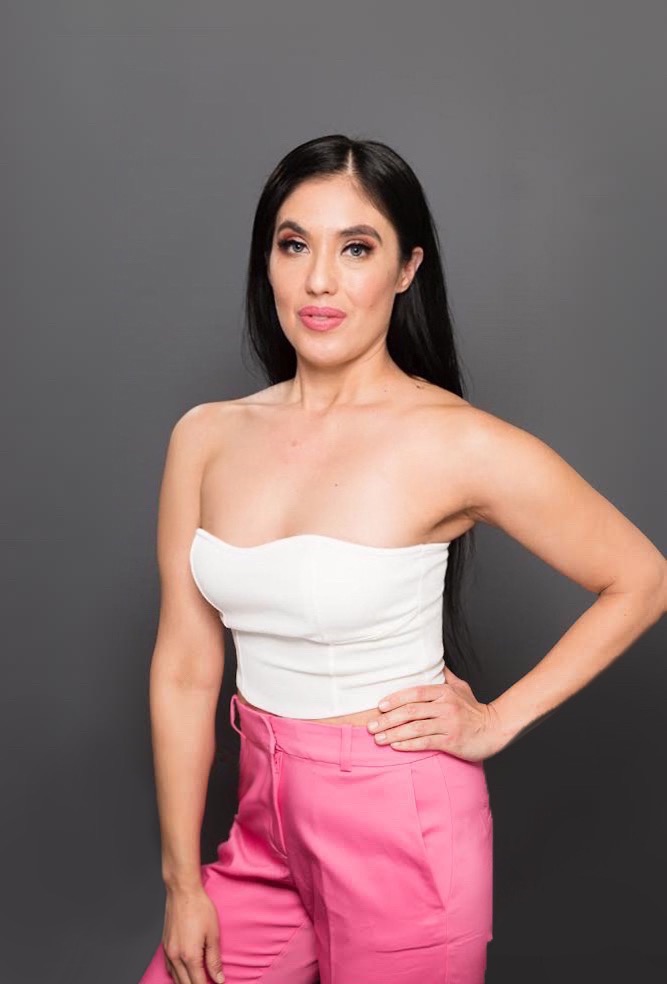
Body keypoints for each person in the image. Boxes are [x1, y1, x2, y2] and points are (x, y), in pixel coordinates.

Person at [137, 134, 666, 984]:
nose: (319, 281)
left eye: (356, 248)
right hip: (260, 819)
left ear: (406, 268)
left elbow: (640, 578)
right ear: (267, 261)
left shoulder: (454, 442)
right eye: (293, 244)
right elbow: (185, 669)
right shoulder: (205, 437)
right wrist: (180, 879)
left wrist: (497, 719)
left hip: (400, 828)